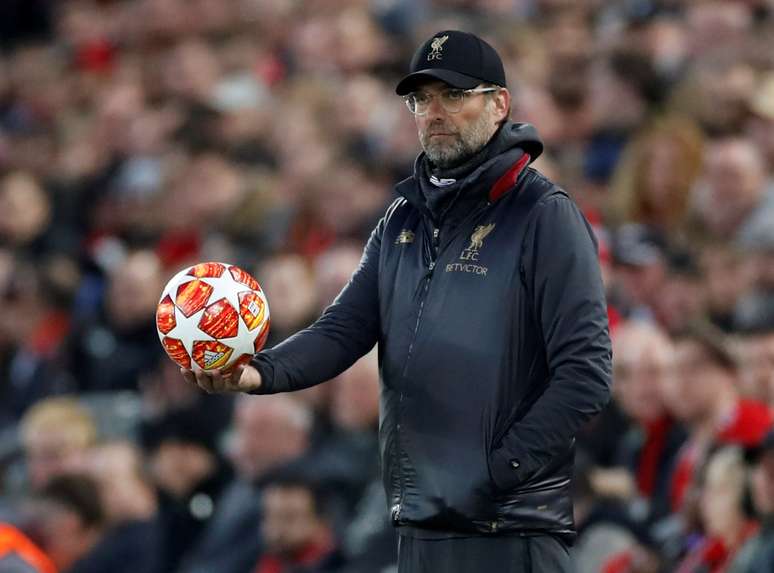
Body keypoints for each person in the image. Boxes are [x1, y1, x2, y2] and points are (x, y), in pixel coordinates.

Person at [185, 29, 612, 573]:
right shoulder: (402, 219)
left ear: (499, 104)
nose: (433, 111)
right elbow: (343, 330)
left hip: (506, 531)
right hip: (419, 525)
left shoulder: (543, 214)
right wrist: (255, 373)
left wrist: (495, 469)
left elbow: (587, 375)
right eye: (421, 98)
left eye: (453, 95)